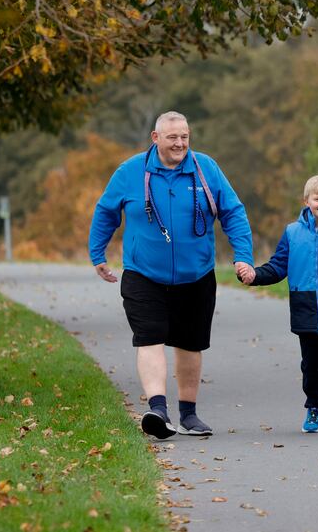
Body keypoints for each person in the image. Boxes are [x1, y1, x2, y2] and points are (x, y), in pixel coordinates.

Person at [88, 111, 254, 439]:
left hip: (197, 274)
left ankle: (189, 415)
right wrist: (98, 253)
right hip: (143, 273)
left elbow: (233, 212)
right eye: (172, 137)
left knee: (190, 345)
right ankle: (158, 410)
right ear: (155, 138)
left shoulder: (206, 169)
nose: (179, 143)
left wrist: (243, 257)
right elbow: (106, 212)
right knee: (149, 338)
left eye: (184, 137)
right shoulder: (130, 171)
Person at [238, 172, 318, 437]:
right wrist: (254, 275)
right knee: (311, 367)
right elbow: (278, 266)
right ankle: (314, 406)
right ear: (307, 201)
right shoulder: (293, 233)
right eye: (317, 198)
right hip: (305, 309)